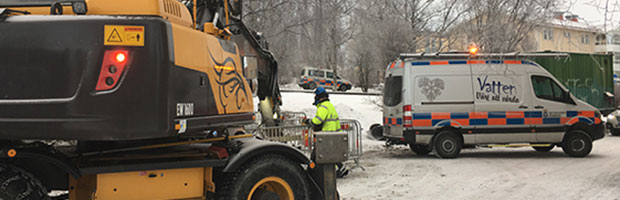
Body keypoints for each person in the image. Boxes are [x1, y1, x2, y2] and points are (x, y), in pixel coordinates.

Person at [304, 87, 349, 177]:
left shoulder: (323, 106)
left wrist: (309, 121)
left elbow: (318, 120)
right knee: (330, 153)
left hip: (325, 133)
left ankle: (311, 172)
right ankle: (341, 167)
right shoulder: (329, 105)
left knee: (318, 153)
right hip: (333, 132)